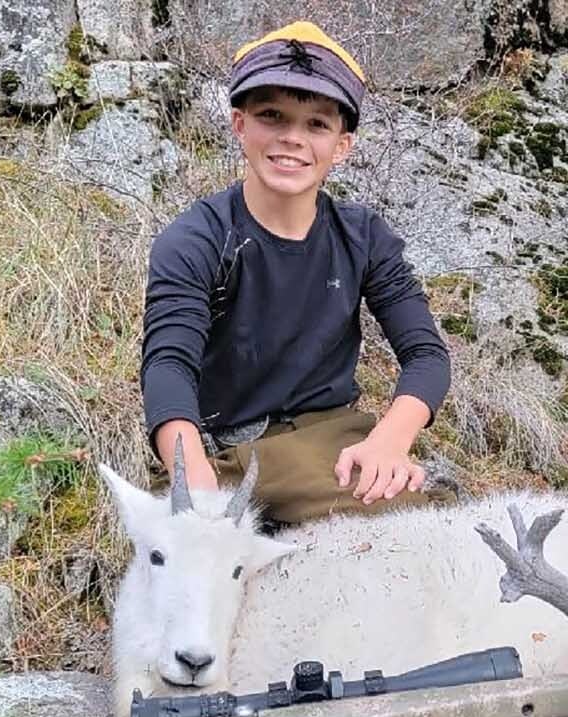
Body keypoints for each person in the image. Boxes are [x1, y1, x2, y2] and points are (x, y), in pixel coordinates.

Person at [140, 21, 450, 524]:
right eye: (271, 115)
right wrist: (190, 474)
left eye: (317, 124)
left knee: (430, 526)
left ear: (342, 146)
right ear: (240, 125)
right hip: (220, 451)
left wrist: (389, 442)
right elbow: (167, 364)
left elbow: (426, 355)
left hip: (332, 442)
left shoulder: (362, 236)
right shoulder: (196, 238)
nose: (292, 139)